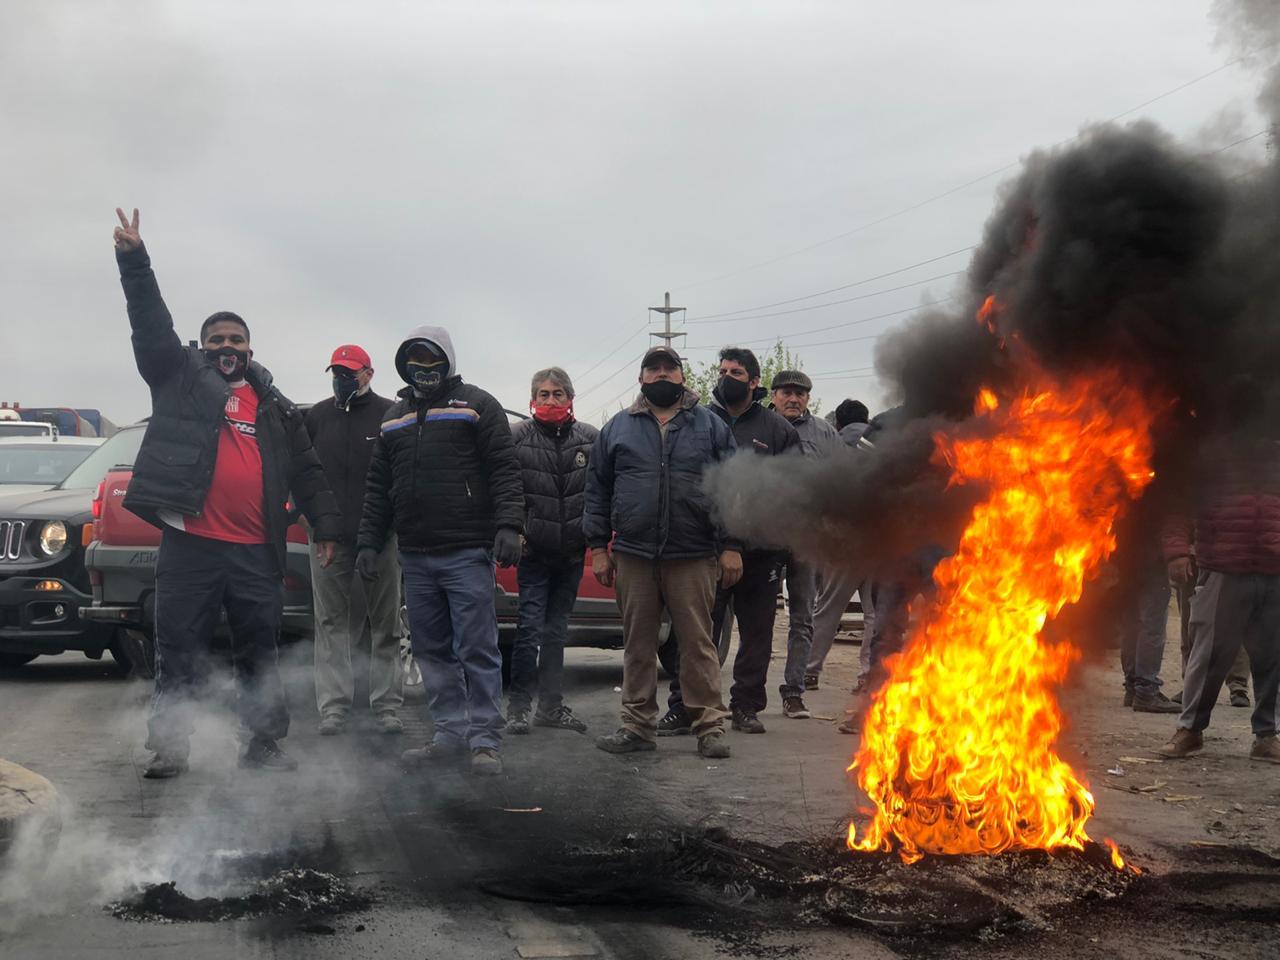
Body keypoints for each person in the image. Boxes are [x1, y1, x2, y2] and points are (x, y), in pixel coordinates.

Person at [112, 208, 341, 779]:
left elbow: (308, 470)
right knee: (177, 653)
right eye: (216, 338)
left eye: (236, 338)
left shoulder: (276, 405)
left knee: (260, 654)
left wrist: (327, 527)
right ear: (202, 345)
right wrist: (135, 260)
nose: (226, 345)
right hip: (191, 548)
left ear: (251, 347)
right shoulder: (179, 378)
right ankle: (170, 747)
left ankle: (262, 744)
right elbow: (150, 325)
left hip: (254, 553)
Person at [357, 326, 524, 776]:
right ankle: (449, 733)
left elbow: (504, 469)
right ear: (403, 365)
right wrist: (370, 543)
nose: (423, 368)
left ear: (447, 360)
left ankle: (485, 739)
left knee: (477, 647)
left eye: (432, 359)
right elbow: (378, 489)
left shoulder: (476, 405)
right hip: (414, 554)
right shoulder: (393, 417)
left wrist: (510, 525)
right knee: (432, 650)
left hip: (467, 549)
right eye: (415, 360)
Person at [585, 345, 740, 759]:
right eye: (653, 369)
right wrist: (599, 548)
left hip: (693, 554)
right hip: (634, 554)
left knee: (697, 644)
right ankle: (637, 727)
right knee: (638, 644)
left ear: (683, 377)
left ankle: (709, 726)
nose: (661, 375)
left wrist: (731, 546)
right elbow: (596, 491)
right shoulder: (617, 428)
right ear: (641, 378)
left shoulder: (710, 426)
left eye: (670, 369)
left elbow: (732, 490)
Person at [655, 348, 799, 735]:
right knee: (697, 633)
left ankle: (745, 706)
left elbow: (796, 488)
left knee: (757, 634)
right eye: (722, 370)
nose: (726, 377)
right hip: (706, 549)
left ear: (754, 381)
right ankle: (685, 706)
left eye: (736, 372)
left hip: (762, 551)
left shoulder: (777, 429)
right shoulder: (699, 422)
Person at [1158, 377, 1280, 762]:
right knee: (1208, 655)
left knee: (1272, 659)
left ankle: (1266, 737)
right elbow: (1177, 505)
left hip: (1274, 573)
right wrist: (1177, 552)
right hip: (1223, 570)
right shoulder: (1208, 457)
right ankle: (1190, 730)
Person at [304, 344, 404, 736]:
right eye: (337, 372)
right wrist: (309, 519)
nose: (343, 379)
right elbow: (305, 474)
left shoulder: (389, 415)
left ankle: (387, 706)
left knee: (386, 624)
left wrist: (387, 529)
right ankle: (334, 707)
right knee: (330, 623)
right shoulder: (317, 416)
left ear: (369, 374)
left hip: (379, 537)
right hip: (328, 539)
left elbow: (398, 478)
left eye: (351, 372)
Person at [506, 366, 598, 735]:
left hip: (572, 554)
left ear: (570, 398)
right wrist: (516, 530)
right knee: (528, 630)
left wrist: (591, 534)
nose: (550, 400)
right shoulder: (517, 438)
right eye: (543, 394)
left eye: (557, 394)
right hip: (534, 554)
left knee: (557, 632)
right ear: (532, 399)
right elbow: (508, 491)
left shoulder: (590, 439)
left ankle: (550, 708)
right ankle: (517, 709)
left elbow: (600, 491)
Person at [767, 369, 838, 719]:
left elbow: (841, 480)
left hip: (807, 540)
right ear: (774, 395)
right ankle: (745, 697)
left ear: (808, 398)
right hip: (763, 537)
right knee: (757, 618)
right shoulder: (759, 424)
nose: (793, 399)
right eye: (787, 393)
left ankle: (793, 692)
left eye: (801, 394)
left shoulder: (825, 432)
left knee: (802, 618)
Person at [805, 397, 875, 690]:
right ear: (866, 419)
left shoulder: (833, 448)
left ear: (838, 423)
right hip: (880, 543)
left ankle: (809, 671)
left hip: (840, 545)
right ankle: (868, 674)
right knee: (874, 615)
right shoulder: (881, 447)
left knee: (827, 609)